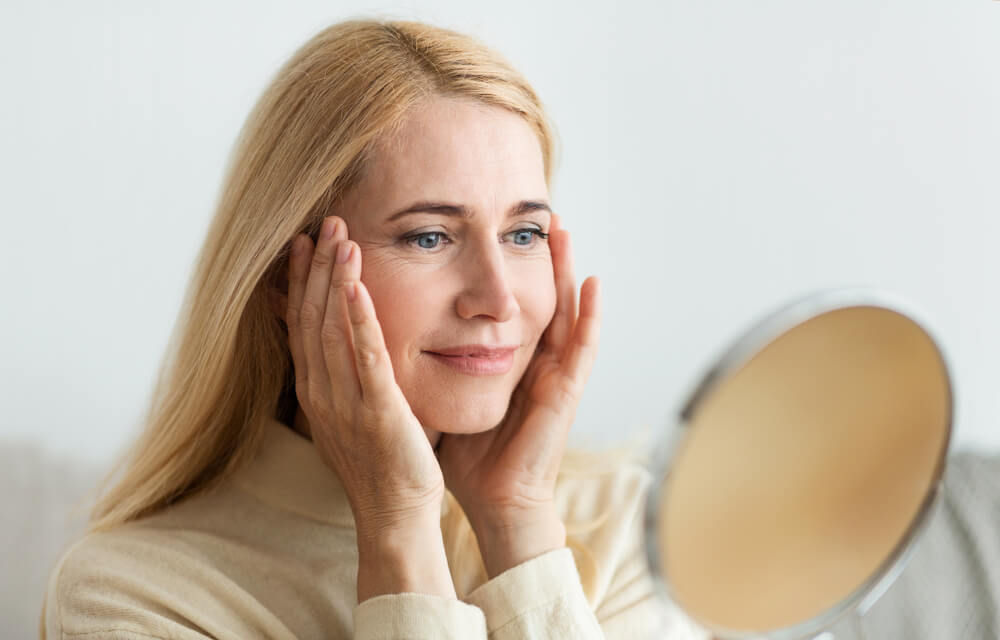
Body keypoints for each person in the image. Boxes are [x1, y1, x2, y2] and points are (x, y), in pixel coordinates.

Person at [41, 18, 708, 640]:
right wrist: (397, 531)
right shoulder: (130, 593)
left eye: (523, 232)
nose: (498, 299)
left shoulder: (622, 525)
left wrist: (517, 524)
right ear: (284, 279)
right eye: (428, 237)